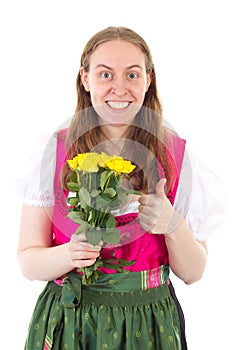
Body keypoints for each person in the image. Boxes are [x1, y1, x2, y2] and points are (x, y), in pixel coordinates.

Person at [16, 26, 225, 350]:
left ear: (148, 79)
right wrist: (69, 254)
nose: (119, 88)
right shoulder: (51, 153)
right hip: (72, 320)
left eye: (131, 75)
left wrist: (172, 225)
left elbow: (193, 272)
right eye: (105, 74)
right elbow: (29, 261)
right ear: (85, 79)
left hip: (150, 321)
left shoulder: (177, 156)